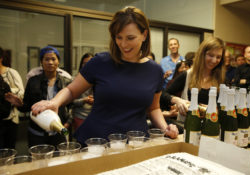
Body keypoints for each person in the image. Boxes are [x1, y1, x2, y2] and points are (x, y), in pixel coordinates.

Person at [31, 6, 178, 144]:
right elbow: (71, 90)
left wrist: (165, 128)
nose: (124, 44)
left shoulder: (155, 70)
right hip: (96, 141)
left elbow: (153, 108)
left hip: (134, 143)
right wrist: (55, 102)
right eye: (118, 37)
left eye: (130, 38)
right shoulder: (101, 62)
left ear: (144, 35)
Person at [6, 46, 72, 147]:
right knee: (38, 160)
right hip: (37, 133)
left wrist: (68, 122)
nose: (50, 62)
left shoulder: (66, 82)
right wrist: (19, 104)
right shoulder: (33, 81)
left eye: (53, 59)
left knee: (59, 160)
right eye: (46, 59)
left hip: (58, 130)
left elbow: (72, 105)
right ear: (41, 62)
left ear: (58, 61)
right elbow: (27, 107)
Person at [161, 37, 226, 121]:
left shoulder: (221, 79)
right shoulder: (188, 75)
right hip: (188, 126)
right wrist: (177, 100)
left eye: (218, 57)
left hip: (212, 127)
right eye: (210, 55)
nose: (214, 60)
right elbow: (162, 95)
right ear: (202, 54)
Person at [0, 47, 24, 149]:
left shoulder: (11, 72)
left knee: (9, 149)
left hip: (10, 118)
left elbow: (21, 92)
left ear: (1, 58)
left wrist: (7, 93)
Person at [72, 53, 94, 131]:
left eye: (90, 63)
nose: (87, 66)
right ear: (81, 65)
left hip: (95, 118)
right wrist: (84, 100)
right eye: (84, 64)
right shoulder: (75, 80)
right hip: (80, 117)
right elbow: (71, 102)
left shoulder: (99, 81)